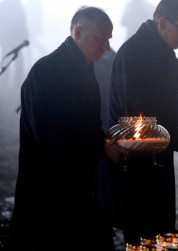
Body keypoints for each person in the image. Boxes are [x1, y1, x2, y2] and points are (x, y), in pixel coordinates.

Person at [6, 6, 129, 250]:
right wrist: (101, 148)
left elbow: (90, 124)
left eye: (108, 40)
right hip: (48, 193)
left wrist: (107, 142)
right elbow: (51, 135)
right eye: (99, 39)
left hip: (79, 188)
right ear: (77, 31)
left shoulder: (86, 69)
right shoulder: (47, 71)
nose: (105, 47)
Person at [109, 0, 178, 245]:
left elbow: (171, 102)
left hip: (159, 156)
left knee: (160, 230)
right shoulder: (134, 54)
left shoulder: (161, 52)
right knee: (143, 236)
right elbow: (137, 119)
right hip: (137, 162)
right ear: (162, 22)